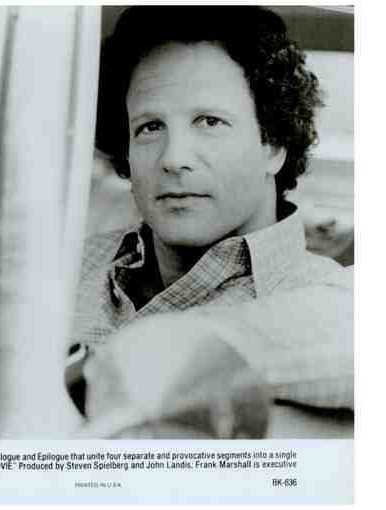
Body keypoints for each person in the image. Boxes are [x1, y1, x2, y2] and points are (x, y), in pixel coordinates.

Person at [70, 6, 353, 438]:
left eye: (209, 121)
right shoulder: (60, 272)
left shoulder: (334, 302)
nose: (174, 158)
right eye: (150, 127)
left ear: (273, 145)